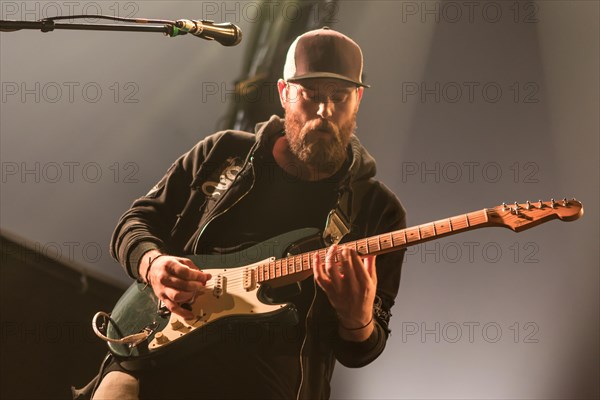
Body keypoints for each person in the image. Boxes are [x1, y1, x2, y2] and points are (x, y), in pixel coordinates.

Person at [90, 27, 406, 400]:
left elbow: (364, 348)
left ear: (358, 100)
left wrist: (358, 320)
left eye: (339, 97)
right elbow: (135, 222)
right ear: (284, 93)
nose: (325, 112)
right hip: (155, 355)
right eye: (310, 94)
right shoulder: (222, 152)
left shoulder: (378, 211)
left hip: (263, 382)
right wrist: (153, 265)